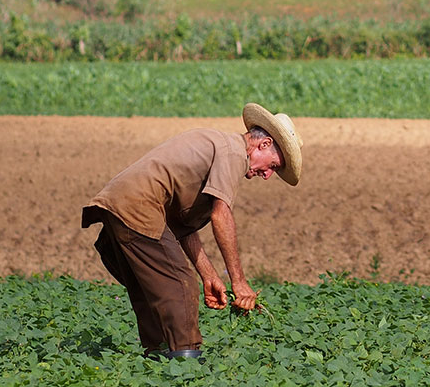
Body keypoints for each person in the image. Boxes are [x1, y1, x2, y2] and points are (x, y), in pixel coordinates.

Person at [80, 102, 303, 360]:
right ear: (264, 145)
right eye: (274, 166)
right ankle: (186, 372)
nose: (267, 175)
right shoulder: (232, 152)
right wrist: (238, 283)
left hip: (120, 205)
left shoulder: (219, 147)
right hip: (138, 206)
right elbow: (221, 214)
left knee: (150, 290)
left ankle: (156, 361)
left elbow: (181, 228)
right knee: (181, 286)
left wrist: (209, 275)